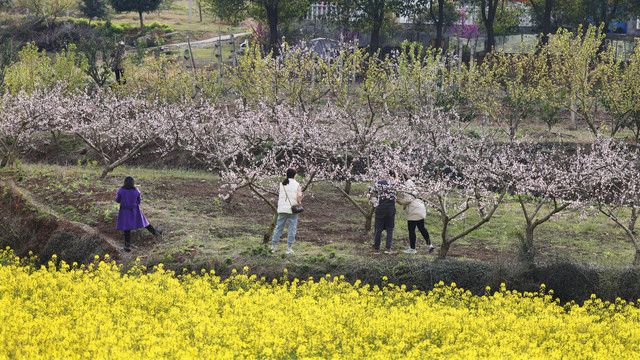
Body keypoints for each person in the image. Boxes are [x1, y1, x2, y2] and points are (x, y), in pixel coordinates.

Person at [115, 176, 162, 252]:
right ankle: (156, 233)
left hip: (124, 211)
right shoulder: (136, 190)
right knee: (145, 223)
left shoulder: (121, 190)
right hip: (135, 210)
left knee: (127, 229)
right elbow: (139, 201)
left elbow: (117, 200)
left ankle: (127, 248)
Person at [397, 175, 434, 254]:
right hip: (420, 207)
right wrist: (405, 205)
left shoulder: (406, 186)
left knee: (411, 230)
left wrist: (401, 202)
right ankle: (429, 245)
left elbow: (408, 199)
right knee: (422, 228)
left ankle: (412, 249)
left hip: (413, 211)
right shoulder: (412, 185)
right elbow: (412, 197)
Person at [271, 168, 302, 254]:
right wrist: (299, 202)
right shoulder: (296, 184)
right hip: (292, 209)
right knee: (292, 228)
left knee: (279, 228)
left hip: (282, 209)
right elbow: (299, 196)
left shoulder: (282, 184)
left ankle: (273, 247)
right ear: (294, 175)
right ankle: (288, 248)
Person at [370, 170, 398, 254]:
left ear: (386, 175)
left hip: (381, 208)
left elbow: (372, 192)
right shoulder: (396, 184)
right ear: (393, 175)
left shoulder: (380, 182)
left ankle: (376, 248)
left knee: (378, 229)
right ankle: (387, 248)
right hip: (390, 208)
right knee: (390, 229)